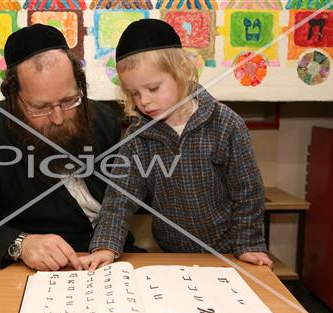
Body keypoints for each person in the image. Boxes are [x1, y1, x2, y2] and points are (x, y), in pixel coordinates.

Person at [0, 24, 141, 271]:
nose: (58, 118)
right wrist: (20, 244)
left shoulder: (104, 119)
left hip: (115, 262)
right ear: (13, 97)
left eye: (69, 100)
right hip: (35, 275)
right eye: (40, 107)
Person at [80, 19, 272, 270]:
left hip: (228, 251)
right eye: (135, 93)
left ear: (181, 69)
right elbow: (120, 197)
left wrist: (248, 244)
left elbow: (248, 192)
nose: (144, 102)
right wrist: (106, 244)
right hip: (171, 253)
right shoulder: (138, 137)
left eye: (153, 88)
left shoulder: (225, 124)